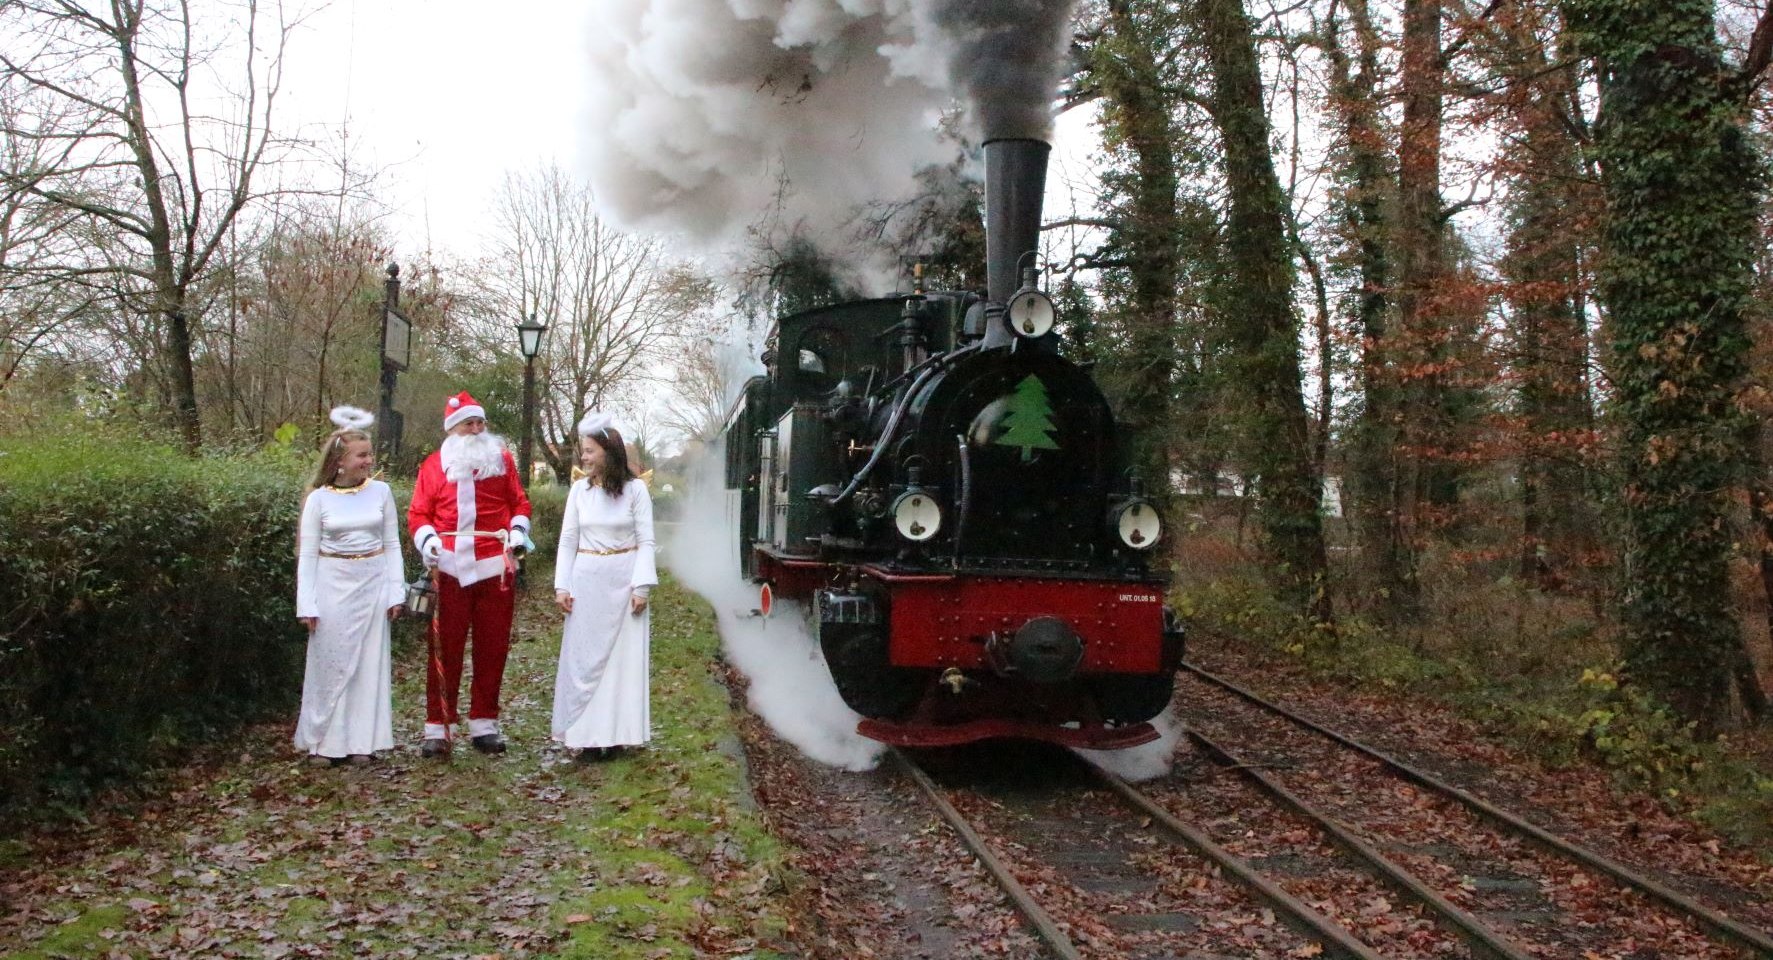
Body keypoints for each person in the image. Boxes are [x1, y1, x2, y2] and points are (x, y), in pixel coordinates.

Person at [408, 391, 534, 758]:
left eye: (481, 423)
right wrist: (428, 538)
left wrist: (518, 531)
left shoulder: (502, 460)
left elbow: (518, 503)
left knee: (492, 647)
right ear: (453, 429)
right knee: (444, 649)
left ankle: (485, 723)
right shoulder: (433, 466)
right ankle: (438, 725)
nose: (477, 429)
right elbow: (419, 513)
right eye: (469, 424)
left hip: (495, 567)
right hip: (448, 566)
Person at [294, 406, 405, 767]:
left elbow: (392, 544)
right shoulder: (318, 500)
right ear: (340, 461)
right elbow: (307, 556)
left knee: (367, 663)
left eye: (370, 454)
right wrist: (306, 604)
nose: (369, 461)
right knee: (331, 661)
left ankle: (362, 741)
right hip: (332, 586)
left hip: (372, 584)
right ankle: (325, 740)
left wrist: (395, 590)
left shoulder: (382, 493)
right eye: (362, 456)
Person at [552, 411, 657, 762]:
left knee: (619, 661)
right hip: (587, 579)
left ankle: (614, 735)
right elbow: (568, 540)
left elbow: (646, 540)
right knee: (583, 659)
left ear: (608, 453)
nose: (584, 457)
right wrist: (561, 586)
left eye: (590, 451)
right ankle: (585, 734)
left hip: (624, 580)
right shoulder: (579, 491)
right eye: (583, 451)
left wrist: (641, 586)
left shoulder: (636, 490)